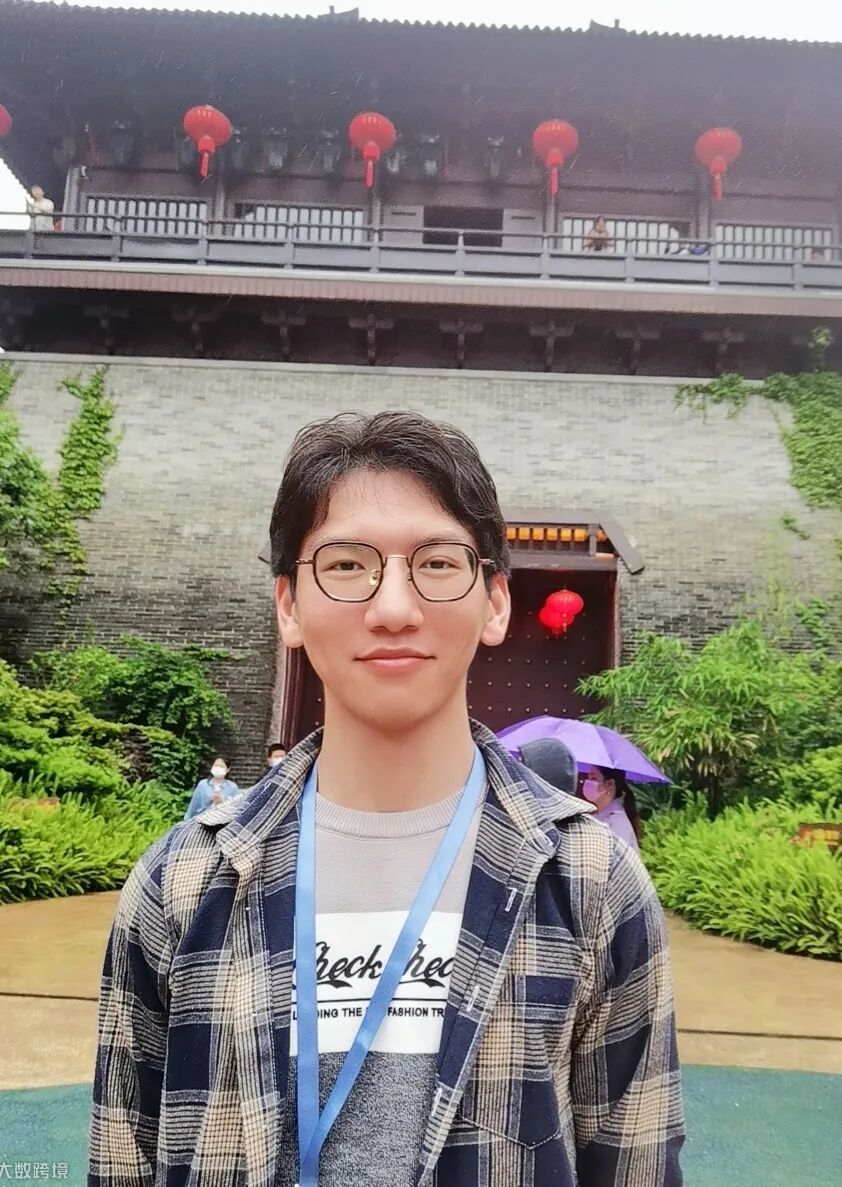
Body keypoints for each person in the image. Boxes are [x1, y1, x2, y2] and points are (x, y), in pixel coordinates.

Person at [89, 411, 683, 1187]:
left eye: (437, 563)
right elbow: (122, 1159)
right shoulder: (181, 884)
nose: (394, 607)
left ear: (495, 601)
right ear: (288, 604)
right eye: (346, 564)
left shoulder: (590, 883)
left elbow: (636, 1167)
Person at [579, 764, 643, 852]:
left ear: (609, 784)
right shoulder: (599, 815)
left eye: (593, 778)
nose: (587, 782)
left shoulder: (617, 823)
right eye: (588, 777)